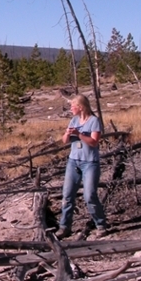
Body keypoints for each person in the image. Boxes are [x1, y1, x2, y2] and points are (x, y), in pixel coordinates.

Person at [55, 94, 107, 239]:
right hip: (73, 161)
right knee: (67, 195)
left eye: (73, 106)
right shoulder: (74, 120)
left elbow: (94, 142)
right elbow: (65, 141)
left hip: (89, 162)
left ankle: (101, 224)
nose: (71, 108)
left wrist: (79, 135)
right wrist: (67, 133)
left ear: (80, 107)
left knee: (89, 195)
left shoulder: (94, 121)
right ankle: (65, 226)